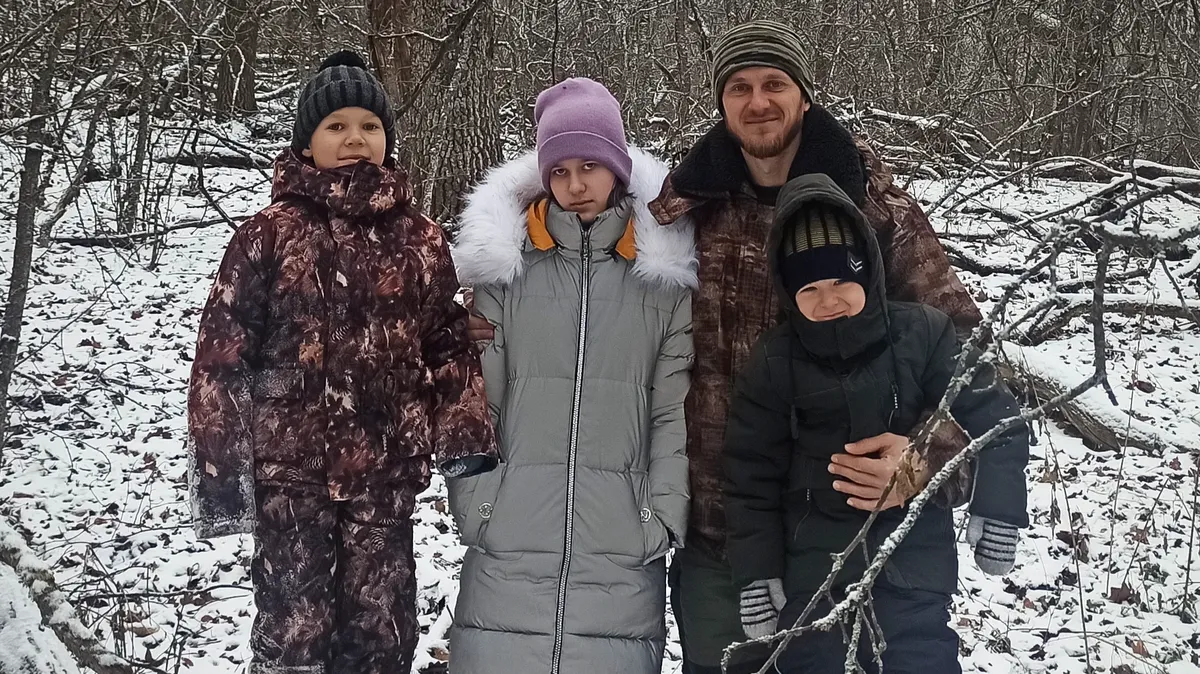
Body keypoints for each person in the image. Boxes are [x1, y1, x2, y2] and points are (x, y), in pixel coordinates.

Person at [645, 20, 988, 674]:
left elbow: (969, 358)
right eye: (739, 87)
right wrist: (486, 310)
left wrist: (921, 460)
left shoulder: (872, 208)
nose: (758, 102)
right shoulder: (685, 210)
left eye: (775, 84)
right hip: (721, 531)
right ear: (721, 102)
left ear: (804, 96)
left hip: (852, 532)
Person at [187, 51, 497, 674]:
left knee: (381, 631)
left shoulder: (420, 238)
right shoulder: (267, 234)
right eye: (336, 126)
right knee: (294, 632)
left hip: (386, 470)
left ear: (387, 139)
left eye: (369, 126)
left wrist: (463, 435)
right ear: (307, 143)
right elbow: (221, 358)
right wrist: (221, 475)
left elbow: (445, 339)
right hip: (290, 475)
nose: (356, 138)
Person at [723, 174, 1030, 673]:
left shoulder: (924, 332)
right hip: (813, 580)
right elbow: (749, 470)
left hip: (911, 570)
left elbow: (993, 415)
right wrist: (757, 574)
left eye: (841, 281)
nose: (829, 301)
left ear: (867, 270)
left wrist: (999, 509)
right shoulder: (776, 359)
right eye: (810, 288)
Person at [446, 77, 695, 674]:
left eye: (590, 166)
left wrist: (661, 514)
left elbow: (672, 409)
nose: (575, 185)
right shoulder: (505, 271)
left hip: (623, 539)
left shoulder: (663, 282)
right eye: (559, 170)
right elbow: (479, 399)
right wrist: (477, 499)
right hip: (507, 532)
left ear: (618, 168)